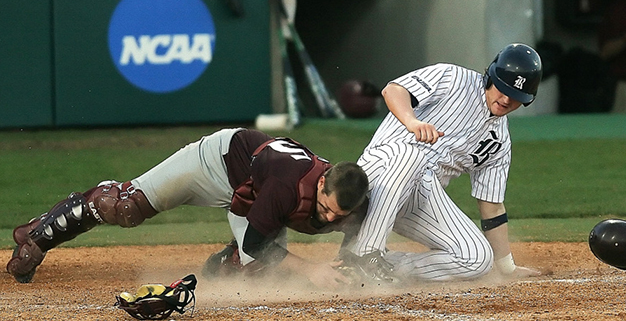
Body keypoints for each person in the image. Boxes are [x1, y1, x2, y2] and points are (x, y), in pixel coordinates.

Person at [7, 128, 369, 290]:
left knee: (266, 279)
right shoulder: (289, 185)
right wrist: (310, 269)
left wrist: (343, 264)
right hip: (214, 164)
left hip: (251, 195)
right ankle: (37, 236)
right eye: (326, 207)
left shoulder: (346, 198)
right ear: (322, 182)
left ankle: (225, 263)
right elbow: (259, 242)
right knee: (125, 209)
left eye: (340, 216)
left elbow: (357, 229)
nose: (330, 218)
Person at [338, 43, 544, 283]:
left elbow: (492, 207)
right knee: (412, 156)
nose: (506, 99)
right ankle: (365, 254)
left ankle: (379, 266)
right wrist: (411, 122)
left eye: (516, 96)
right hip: (379, 174)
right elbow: (393, 90)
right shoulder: (453, 78)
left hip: (419, 196)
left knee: (477, 259)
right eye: (503, 88)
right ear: (491, 76)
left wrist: (507, 267)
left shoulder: (498, 142)